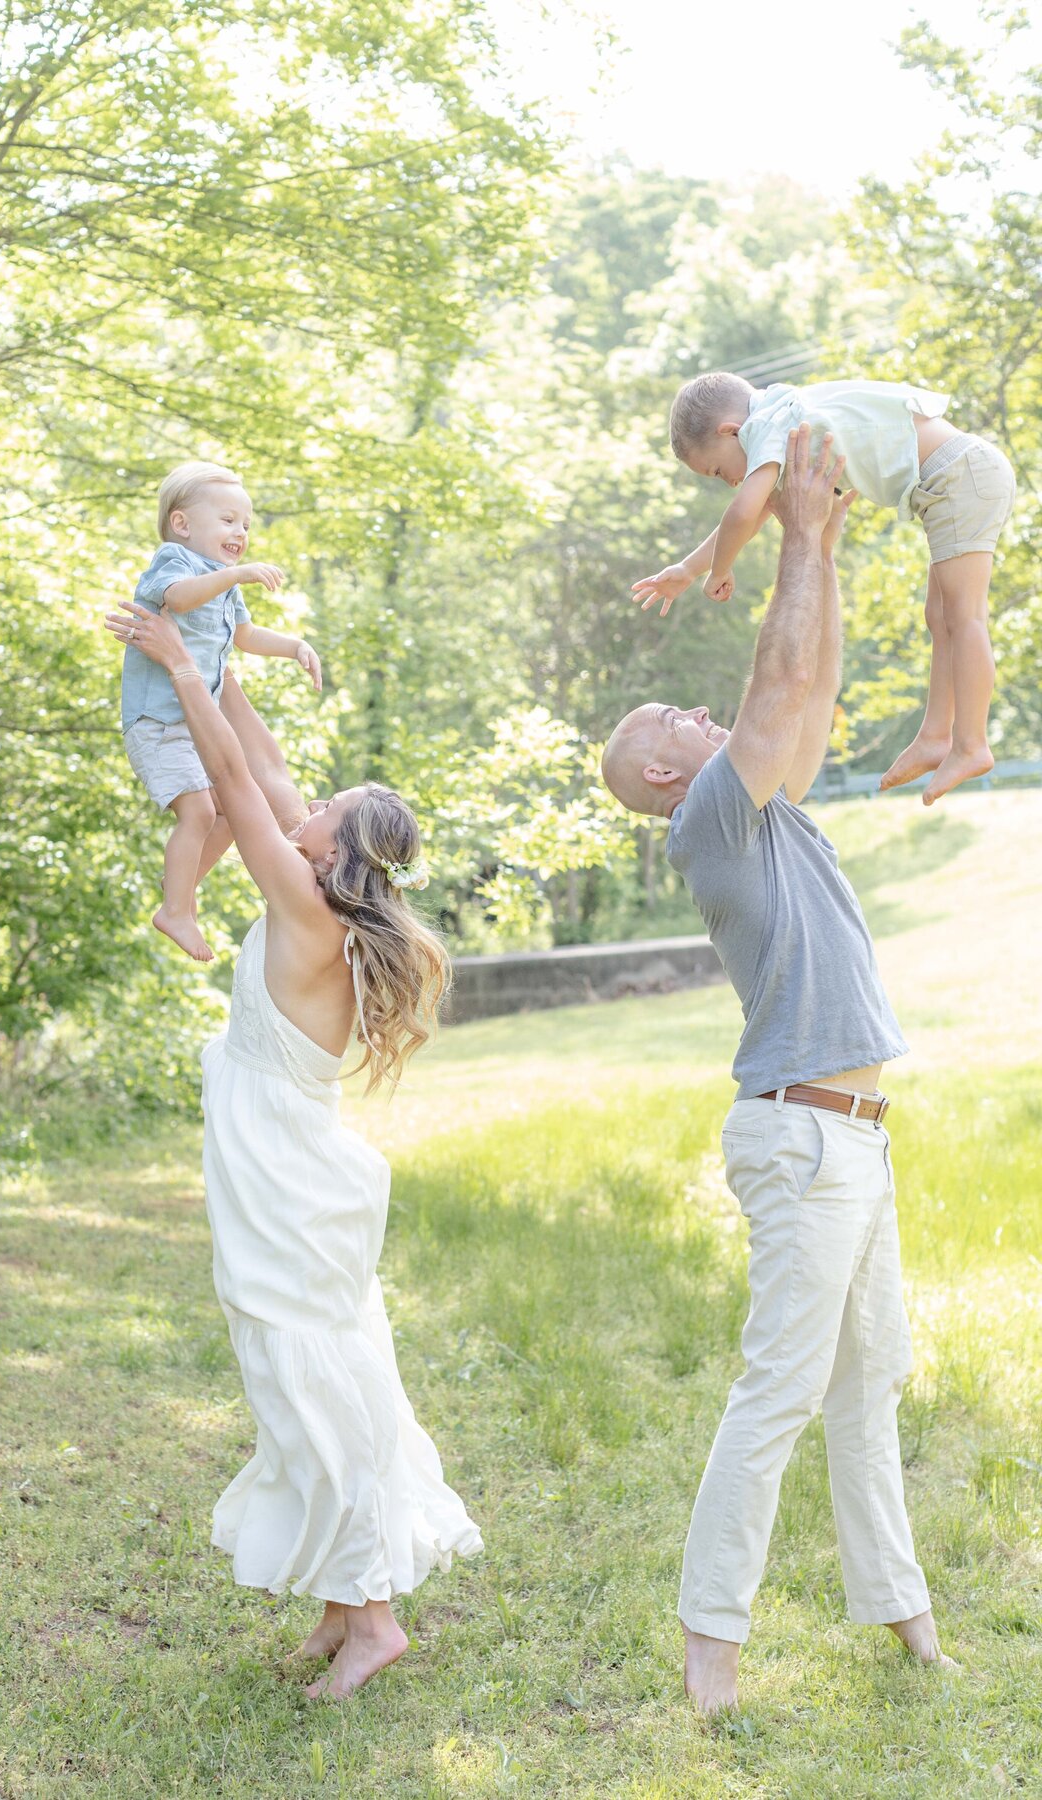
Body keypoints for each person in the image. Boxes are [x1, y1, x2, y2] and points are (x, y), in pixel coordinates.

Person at [603, 425, 954, 1715]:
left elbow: (811, 678)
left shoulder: (769, 810)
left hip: (852, 1136)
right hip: (806, 1138)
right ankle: (710, 1654)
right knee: (782, 1394)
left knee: (868, 1389)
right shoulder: (708, 817)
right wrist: (796, 535)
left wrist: (833, 539)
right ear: (662, 770)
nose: (700, 719)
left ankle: (907, 1617)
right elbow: (770, 682)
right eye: (674, 721)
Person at [105, 597, 482, 1699]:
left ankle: (373, 1619)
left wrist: (177, 669)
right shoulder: (315, 889)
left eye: (325, 811)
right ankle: (339, 1597)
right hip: (284, 1160)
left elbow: (231, 785)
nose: (303, 808)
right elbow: (259, 762)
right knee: (302, 1368)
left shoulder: (306, 911)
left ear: (338, 848)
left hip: (284, 1169)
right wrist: (220, 657)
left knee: (302, 1376)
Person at [632, 372, 1016, 804]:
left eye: (719, 470)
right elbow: (756, 511)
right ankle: (936, 735)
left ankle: (972, 743)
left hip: (957, 476)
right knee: (941, 618)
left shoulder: (768, 426)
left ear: (730, 431)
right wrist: (687, 569)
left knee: (965, 618)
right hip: (950, 480)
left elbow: (743, 513)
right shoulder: (784, 416)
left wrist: (719, 570)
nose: (731, 482)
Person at [121, 461, 323, 963]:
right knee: (199, 812)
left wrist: (295, 646)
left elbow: (246, 637)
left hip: (191, 726)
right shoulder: (177, 562)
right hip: (158, 723)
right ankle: (176, 909)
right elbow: (179, 600)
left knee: (231, 814)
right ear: (183, 525)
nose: (241, 533)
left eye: (246, 525)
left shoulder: (224, 584)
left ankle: (180, 898)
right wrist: (236, 573)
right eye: (228, 520)